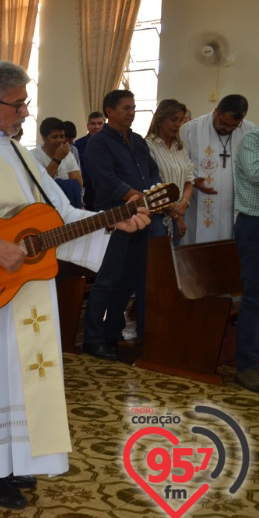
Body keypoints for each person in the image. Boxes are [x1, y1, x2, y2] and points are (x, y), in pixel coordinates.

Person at [0, 61, 149, 510]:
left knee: (21, 382)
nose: (25, 112)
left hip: (27, 289)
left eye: (24, 103)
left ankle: (14, 459)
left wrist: (117, 220)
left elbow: (57, 217)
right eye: (18, 104)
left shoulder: (18, 153)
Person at [81, 90, 163, 360]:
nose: (132, 113)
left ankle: (112, 332)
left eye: (134, 108)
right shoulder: (99, 142)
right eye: (126, 108)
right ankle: (93, 339)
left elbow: (151, 172)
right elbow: (106, 179)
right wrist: (137, 197)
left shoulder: (137, 141)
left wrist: (151, 194)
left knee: (128, 279)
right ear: (110, 111)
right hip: (112, 218)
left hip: (141, 217)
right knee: (107, 280)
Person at [181, 94, 255, 244]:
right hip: (198, 205)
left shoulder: (250, 131)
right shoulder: (190, 129)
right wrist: (193, 181)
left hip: (233, 207)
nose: (227, 129)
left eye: (234, 126)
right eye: (224, 123)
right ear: (216, 112)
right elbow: (180, 167)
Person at [232, 123, 259, 394]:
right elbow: (258, 173)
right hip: (256, 225)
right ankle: (246, 367)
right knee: (255, 298)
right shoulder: (254, 140)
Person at [146, 99, 194, 242]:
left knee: (175, 260)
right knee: (159, 261)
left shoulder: (179, 147)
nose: (178, 125)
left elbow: (189, 179)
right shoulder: (147, 145)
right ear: (160, 120)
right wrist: (176, 214)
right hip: (158, 215)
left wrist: (184, 202)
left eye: (180, 120)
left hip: (179, 212)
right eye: (173, 120)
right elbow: (154, 184)